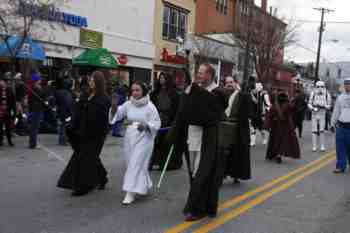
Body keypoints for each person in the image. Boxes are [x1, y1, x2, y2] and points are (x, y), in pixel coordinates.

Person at [168, 63, 227, 221]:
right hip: (192, 137)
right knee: (194, 172)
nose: (199, 75)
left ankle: (197, 209)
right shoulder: (195, 90)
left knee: (203, 173)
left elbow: (212, 112)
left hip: (208, 139)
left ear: (210, 75)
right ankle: (203, 204)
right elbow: (184, 111)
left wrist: (193, 90)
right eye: (198, 72)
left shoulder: (218, 92)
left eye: (201, 73)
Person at [57, 71, 110, 196]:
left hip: (96, 134)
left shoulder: (104, 98)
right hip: (83, 131)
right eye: (90, 80)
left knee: (85, 158)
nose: (91, 82)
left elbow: (101, 118)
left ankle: (84, 186)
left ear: (99, 82)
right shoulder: (87, 94)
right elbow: (79, 109)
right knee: (90, 157)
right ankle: (102, 177)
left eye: (93, 80)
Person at [109, 81, 161, 205]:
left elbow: (157, 122)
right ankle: (144, 184)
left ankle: (130, 192)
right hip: (130, 137)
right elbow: (117, 115)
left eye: (137, 90)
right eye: (133, 90)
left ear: (143, 91)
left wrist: (147, 126)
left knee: (135, 164)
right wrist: (114, 106)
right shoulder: (128, 104)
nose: (135, 93)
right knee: (134, 163)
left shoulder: (150, 106)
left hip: (145, 138)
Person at [222, 76, 251, 183]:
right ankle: (222, 174)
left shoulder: (242, 95)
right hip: (224, 127)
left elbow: (249, 107)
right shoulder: (222, 94)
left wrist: (240, 91)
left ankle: (235, 174)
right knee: (224, 153)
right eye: (227, 82)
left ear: (235, 83)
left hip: (237, 128)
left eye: (231, 82)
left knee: (236, 153)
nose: (229, 84)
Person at [149, 72, 181, 170]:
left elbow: (176, 108)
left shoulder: (174, 93)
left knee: (165, 142)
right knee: (155, 141)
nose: (161, 79)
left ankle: (165, 163)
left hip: (168, 120)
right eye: (160, 78)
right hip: (157, 118)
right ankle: (153, 161)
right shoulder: (155, 92)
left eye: (163, 78)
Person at [265, 93, 300, 163]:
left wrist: (268, 126)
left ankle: (275, 154)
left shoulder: (274, 106)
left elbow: (270, 116)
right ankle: (279, 154)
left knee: (275, 141)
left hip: (276, 126)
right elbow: (295, 109)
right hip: (286, 126)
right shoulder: (288, 105)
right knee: (283, 141)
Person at [331, 78, 350, 173]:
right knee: (340, 148)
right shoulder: (340, 97)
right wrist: (332, 123)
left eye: (349, 84)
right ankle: (340, 166)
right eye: (346, 84)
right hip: (341, 126)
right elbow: (336, 111)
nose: (347, 86)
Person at [308, 81, 332, 152]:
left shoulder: (327, 94)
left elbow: (329, 105)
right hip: (314, 114)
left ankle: (322, 145)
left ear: (324, 87)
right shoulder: (313, 93)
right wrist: (312, 108)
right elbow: (309, 103)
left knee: (322, 131)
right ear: (316, 87)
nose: (320, 88)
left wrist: (324, 106)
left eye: (321, 86)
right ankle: (314, 146)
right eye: (318, 86)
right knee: (314, 131)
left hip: (322, 113)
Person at [28, 72, 47, 149]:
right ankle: (33, 144)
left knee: (35, 127)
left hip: (37, 108)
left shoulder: (36, 87)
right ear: (36, 80)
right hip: (36, 109)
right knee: (34, 127)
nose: (41, 80)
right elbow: (43, 95)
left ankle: (33, 143)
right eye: (39, 78)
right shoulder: (35, 88)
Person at [250, 82, 271, 146]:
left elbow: (268, 104)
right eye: (256, 87)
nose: (257, 89)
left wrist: (269, 111)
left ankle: (264, 138)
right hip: (253, 113)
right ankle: (253, 141)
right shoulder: (252, 93)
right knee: (252, 127)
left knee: (261, 129)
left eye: (258, 87)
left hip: (260, 114)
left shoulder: (264, 94)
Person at [54, 78, 73, 145]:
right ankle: (63, 141)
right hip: (66, 112)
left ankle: (61, 140)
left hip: (60, 111)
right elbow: (69, 104)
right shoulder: (68, 93)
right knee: (65, 126)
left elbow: (56, 102)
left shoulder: (58, 92)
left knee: (62, 126)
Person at [0, 76, 16, 146]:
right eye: (4, 81)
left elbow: (13, 101)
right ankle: (0, 141)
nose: (5, 83)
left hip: (7, 110)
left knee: (8, 127)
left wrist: (13, 110)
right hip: (0, 111)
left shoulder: (9, 90)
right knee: (0, 127)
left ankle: (9, 140)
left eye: (7, 82)